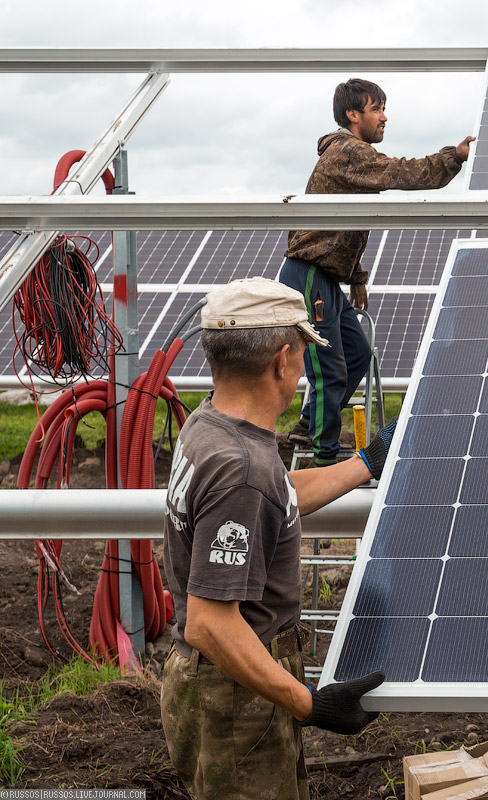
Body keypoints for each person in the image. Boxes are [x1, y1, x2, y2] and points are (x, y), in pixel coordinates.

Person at [161, 277, 398, 800]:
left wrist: (364, 463)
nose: (301, 372)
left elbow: (275, 496)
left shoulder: (210, 425)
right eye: (301, 356)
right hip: (236, 696)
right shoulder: (241, 469)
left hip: (220, 683)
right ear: (281, 360)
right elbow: (210, 624)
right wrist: (310, 705)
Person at [281, 77, 475, 464]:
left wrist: (355, 278)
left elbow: (341, 224)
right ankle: (323, 456)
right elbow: (402, 173)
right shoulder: (348, 150)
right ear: (353, 115)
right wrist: (453, 156)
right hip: (308, 275)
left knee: (356, 354)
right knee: (330, 369)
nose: (384, 117)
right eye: (376, 109)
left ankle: (308, 425)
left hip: (328, 279)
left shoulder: (352, 154)